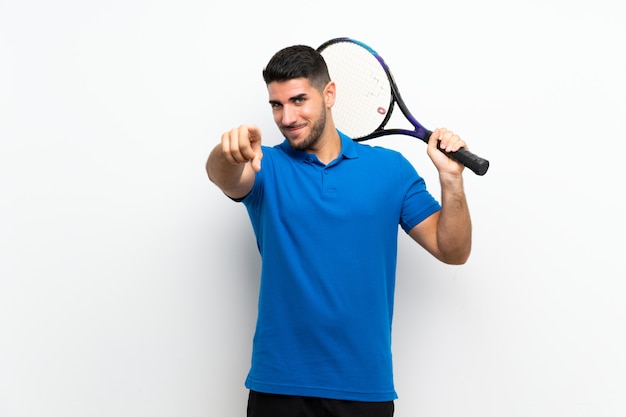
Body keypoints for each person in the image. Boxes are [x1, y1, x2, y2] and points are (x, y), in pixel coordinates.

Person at [206, 44, 472, 417]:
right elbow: (225, 177)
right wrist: (227, 153)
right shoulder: (266, 166)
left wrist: (451, 180)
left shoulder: (390, 170)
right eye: (276, 105)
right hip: (279, 386)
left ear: (329, 94)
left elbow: (453, 251)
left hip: (364, 387)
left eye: (299, 100)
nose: (287, 116)